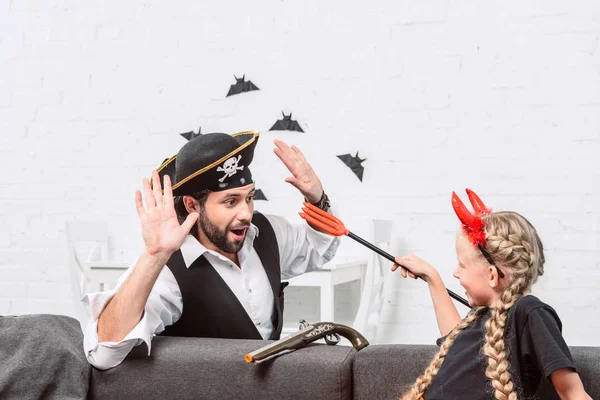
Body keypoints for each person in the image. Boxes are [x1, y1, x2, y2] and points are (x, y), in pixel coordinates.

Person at [83, 130, 340, 370]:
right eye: (231, 202)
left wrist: (318, 199)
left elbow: (319, 248)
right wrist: (154, 255)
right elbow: (105, 353)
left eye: (249, 197)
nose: (246, 214)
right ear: (192, 205)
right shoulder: (169, 271)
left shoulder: (266, 231)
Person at [393, 189, 591, 400]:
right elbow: (454, 346)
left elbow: (572, 392)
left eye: (462, 265)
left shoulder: (529, 312)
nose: (456, 272)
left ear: (491, 275)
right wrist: (432, 277)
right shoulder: (480, 317)